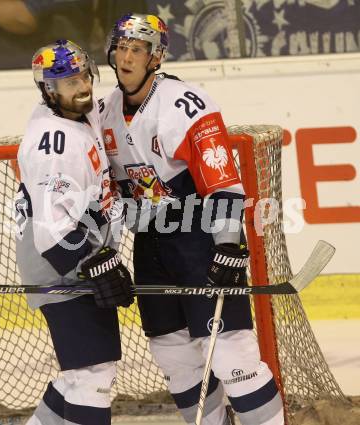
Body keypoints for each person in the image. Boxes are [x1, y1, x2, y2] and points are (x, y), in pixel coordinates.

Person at [100, 13, 284, 425]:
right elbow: (106, 192)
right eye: (122, 47)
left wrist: (227, 244)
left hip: (198, 240)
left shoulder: (186, 104)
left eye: (137, 49)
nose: (127, 57)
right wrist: (105, 251)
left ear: (156, 57)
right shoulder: (103, 111)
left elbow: (220, 178)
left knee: (233, 357)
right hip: (150, 244)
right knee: (174, 357)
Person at [15, 39, 134, 425]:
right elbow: (52, 232)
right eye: (69, 82)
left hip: (77, 253)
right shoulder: (54, 145)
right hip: (59, 260)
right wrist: (94, 263)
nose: (82, 86)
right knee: (92, 374)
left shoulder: (78, 112)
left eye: (84, 75)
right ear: (49, 90)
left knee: (78, 374)